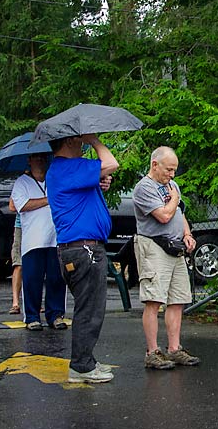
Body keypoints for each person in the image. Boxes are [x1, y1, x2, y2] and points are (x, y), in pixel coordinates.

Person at [47, 134, 118, 384]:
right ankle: (82, 365)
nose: (83, 144)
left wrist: (99, 183)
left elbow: (87, 191)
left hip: (76, 249)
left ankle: (84, 359)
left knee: (87, 307)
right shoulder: (69, 166)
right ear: (68, 142)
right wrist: (97, 141)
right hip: (84, 249)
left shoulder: (62, 170)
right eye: (79, 140)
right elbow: (111, 163)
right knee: (90, 309)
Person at [133, 146, 199, 370]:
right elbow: (163, 215)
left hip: (175, 247)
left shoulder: (172, 186)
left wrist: (187, 234)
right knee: (154, 300)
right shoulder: (144, 188)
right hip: (154, 246)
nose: (172, 175)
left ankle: (174, 348)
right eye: (169, 170)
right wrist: (175, 199)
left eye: (174, 171)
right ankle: (152, 352)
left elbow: (179, 214)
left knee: (178, 299)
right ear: (155, 165)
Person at [11, 153, 67, 331]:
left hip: (55, 239)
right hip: (32, 240)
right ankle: (32, 317)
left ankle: (55, 315)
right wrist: (48, 200)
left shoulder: (55, 179)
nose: (41, 161)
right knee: (32, 280)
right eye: (37, 158)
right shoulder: (22, 182)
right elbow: (22, 205)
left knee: (57, 279)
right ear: (29, 160)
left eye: (44, 158)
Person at [8, 208, 22, 314]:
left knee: (36, 266)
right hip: (21, 226)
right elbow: (12, 206)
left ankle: (36, 302)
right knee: (18, 265)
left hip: (39, 226)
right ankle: (15, 302)